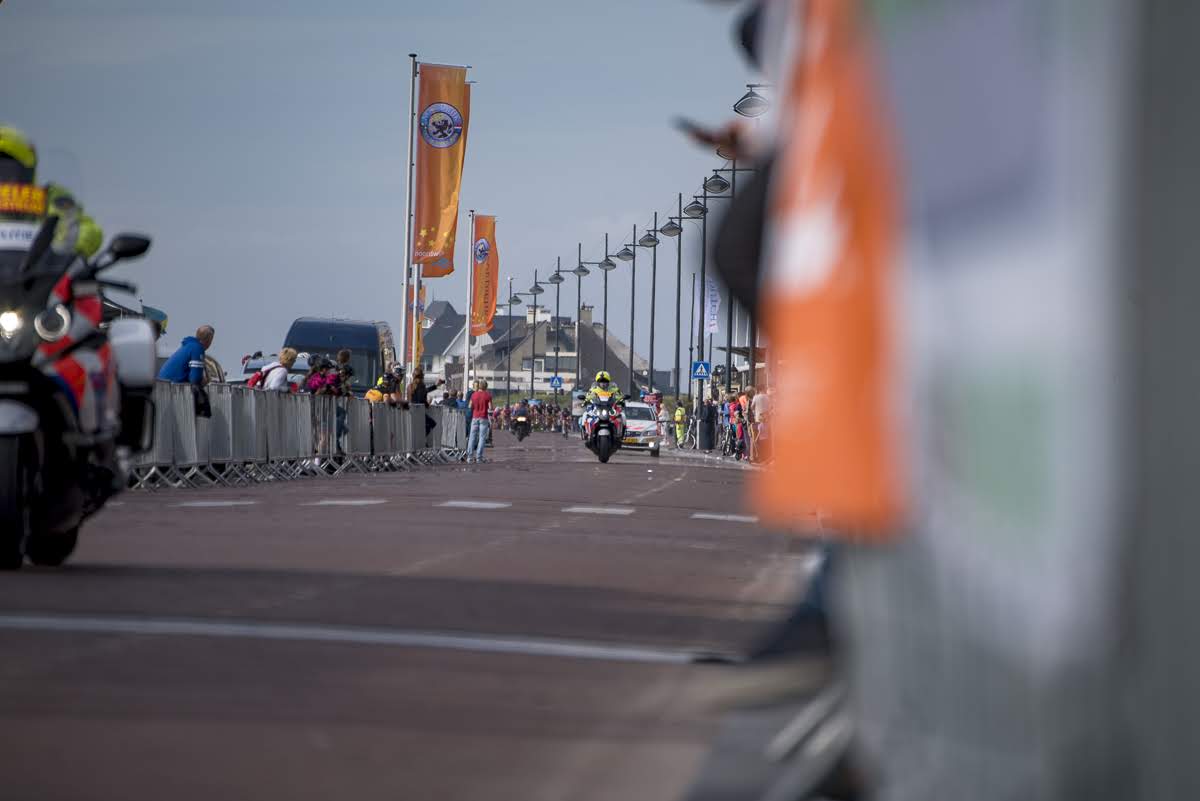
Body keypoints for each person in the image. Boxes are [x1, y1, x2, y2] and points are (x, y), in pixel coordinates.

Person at [466, 380, 492, 464]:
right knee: (482, 437)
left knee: (472, 437)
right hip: (483, 418)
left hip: (475, 417)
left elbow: (470, 406)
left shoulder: (473, 395)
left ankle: (470, 457)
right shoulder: (488, 395)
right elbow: (490, 407)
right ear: (486, 387)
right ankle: (478, 457)